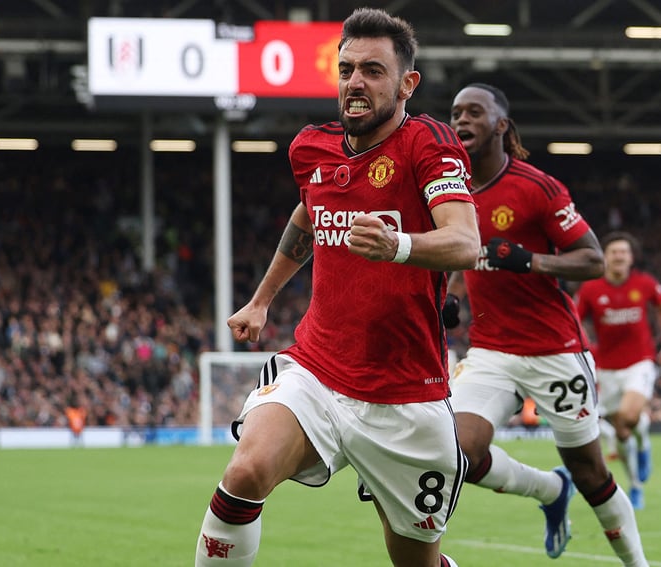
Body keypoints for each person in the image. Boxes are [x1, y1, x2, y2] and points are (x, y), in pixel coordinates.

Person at [193, 8, 480, 567]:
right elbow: (307, 218)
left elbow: (465, 242)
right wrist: (261, 300)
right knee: (246, 472)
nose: (355, 82)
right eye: (347, 69)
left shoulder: (429, 144)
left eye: (373, 70)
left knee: (415, 561)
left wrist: (398, 245)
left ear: (407, 84)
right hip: (319, 371)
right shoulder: (312, 149)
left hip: (406, 396)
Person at [444, 83, 649, 566]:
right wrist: (452, 296)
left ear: (501, 125)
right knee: (457, 454)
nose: (461, 120)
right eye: (455, 113)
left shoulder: (537, 187)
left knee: (591, 474)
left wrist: (530, 261)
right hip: (491, 352)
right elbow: (463, 252)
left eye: (474, 112)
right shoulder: (451, 189)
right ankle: (549, 489)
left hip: (554, 351)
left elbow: (593, 260)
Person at [575, 232, 661, 510]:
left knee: (629, 416)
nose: (619, 256)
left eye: (623, 252)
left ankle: (643, 446)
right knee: (621, 431)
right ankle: (635, 484)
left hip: (639, 362)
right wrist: (583, 348)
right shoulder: (591, 289)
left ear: (631, 258)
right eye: (614, 252)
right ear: (605, 257)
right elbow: (574, 319)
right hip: (606, 369)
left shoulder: (644, 284)